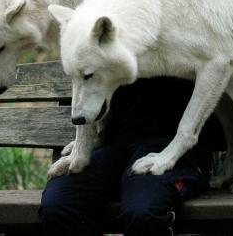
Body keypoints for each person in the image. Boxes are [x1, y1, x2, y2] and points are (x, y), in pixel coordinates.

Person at [39, 76, 218, 235]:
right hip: (116, 143)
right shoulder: (104, 40)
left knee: (142, 212)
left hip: (178, 149)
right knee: (59, 204)